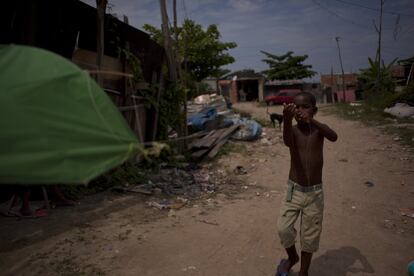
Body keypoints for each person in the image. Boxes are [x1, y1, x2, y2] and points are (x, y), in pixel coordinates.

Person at [276, 92, 338, 276]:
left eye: (306, 107)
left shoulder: (319, 131)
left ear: (314, 110)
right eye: (297, 107)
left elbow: (334, 136)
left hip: (315, 194)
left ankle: (304, 272)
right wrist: (287, 120)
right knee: (283, 228)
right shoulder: (293, 131)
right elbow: (287, 141)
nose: (300, 110)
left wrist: (313, 121)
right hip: (294, 190)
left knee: (309, 237)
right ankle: (292, 257)